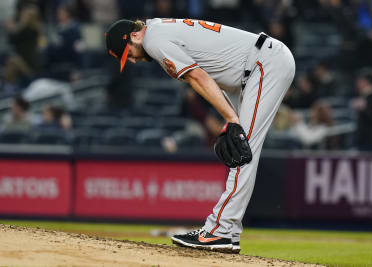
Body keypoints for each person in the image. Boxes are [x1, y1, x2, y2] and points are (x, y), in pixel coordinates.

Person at [105, 18, 295, 253]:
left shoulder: (153, 39)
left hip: (264, 64)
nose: (132, 60)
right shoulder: (159, 30)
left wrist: (232, 120)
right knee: (240, 150)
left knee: (243, 150)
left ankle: (220, 231)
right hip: (254, 68)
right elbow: (206, 78)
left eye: (128, 53)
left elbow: (197, 77)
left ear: (134, 36)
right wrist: (231, 118)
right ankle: (227, 231)